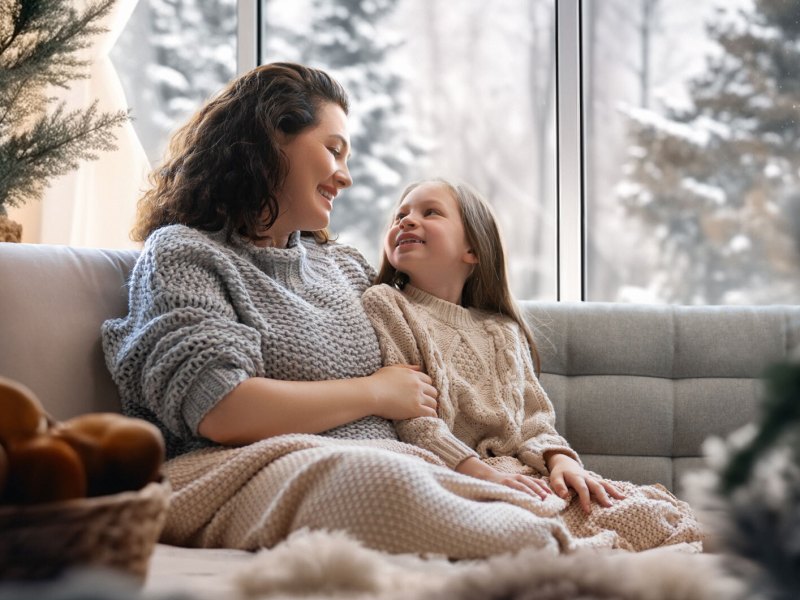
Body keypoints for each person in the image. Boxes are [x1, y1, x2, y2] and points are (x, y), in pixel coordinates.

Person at [103, 62, 696, 558]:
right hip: (240, 468)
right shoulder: (184, 252)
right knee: (386, 482)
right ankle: (565, 552)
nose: (347, 174)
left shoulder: (345, 268)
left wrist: (536, 457)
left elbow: (441, 341)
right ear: (267, 141)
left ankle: (645, 535)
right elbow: (219, 409)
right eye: (332, 149)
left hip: (393, 461)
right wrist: (376, 394)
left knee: (558, 494)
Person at [362, 178, 703, 550]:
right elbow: (416, 421)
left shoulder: (501, 330)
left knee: (645, 509)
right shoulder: (388, 304)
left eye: (430, 212)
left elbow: (534, 422)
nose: (406, 222)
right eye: (400, 215)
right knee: (590, 526)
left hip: (523, 474)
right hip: (453, 476)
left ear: (473, 249)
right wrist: (476, 474)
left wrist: (562, 463)